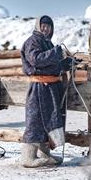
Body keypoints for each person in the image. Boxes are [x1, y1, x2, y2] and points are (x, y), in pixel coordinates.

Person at [20, 15, 73, 168]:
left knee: (49, 120)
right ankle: (28, 156)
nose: (46, 28)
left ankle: (45, 154)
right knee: (35, 121)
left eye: (48, 26)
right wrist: (55, 54)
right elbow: (35, 60)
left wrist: (64, 64)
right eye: (43, 25)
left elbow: (51, 65)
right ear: (38, 26)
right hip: (38, 88)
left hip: (50, 88)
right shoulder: (32, 42)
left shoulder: (48, 43)